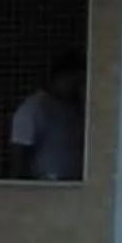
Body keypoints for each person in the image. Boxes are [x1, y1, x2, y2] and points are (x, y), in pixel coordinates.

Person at [9, 50, 85, 182]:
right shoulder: (33, 108)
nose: (76, 87)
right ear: (59, 77)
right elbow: (19, 153)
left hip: (75, 182)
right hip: (46, 182)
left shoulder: (77, 107)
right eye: (73, 82)